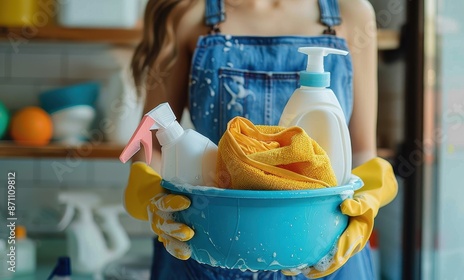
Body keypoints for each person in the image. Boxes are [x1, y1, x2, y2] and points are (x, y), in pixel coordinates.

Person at [124, 0, 398, 279]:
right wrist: (153, 199)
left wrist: (365, 202)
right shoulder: (187, 14)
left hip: (324, 250)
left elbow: (361, 150)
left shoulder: (351, 13)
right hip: (208, 248)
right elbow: (156, 138)